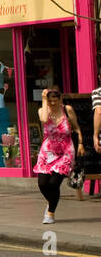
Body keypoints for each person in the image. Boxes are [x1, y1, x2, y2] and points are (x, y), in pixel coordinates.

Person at [34, 88, 81, 224]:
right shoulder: (43, 111)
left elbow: (76, 128)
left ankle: (50, 213)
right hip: (47, 152)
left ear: (60, 99)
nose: (53, 103)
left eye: (56, 100)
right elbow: (43, 119)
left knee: (54, 183)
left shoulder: (67, 109)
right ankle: (51, 202)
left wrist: (82, 143)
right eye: (50, 100)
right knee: (42, 184)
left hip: (66, 150)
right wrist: (44, 99)